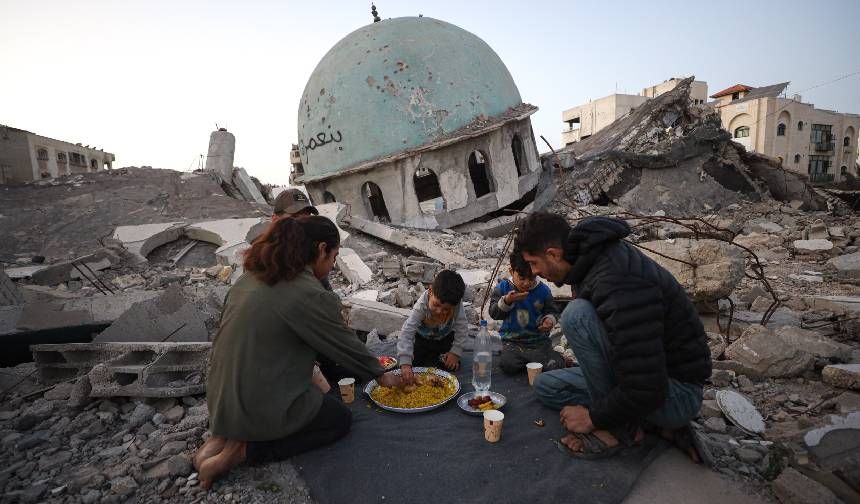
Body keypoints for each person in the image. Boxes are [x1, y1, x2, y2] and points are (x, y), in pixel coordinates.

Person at [196, 215, 402, 489]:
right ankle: (240, 452)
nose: (331, 267)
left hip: (221, 399)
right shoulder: (307, 292)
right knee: (337, 419)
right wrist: (382, 374)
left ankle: (219, 440)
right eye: (333, 257)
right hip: (256, 401)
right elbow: (343, 343)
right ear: (320, 250)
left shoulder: (250, 278)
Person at [514, 212, 712, 460]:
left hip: (674, 392)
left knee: (575, 316)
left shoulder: (617, 279)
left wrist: (593, 418)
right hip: (639, 378)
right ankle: (648, 424)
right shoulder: (586, 265)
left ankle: (616, 431)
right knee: (546, 386)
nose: (534, 273)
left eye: (534, 263)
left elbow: (647, 386)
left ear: (553, 254)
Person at [488, 252, 562, 375]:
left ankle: (547, 360)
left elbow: (553, 311)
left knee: (553, 365)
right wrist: (507, 301)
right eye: (522, 278)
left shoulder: (543, 291)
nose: (527, 283)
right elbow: (493, 313)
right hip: (512, 341)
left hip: (538, 341)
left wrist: (549, 320)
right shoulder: (503, 288)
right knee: (508, 365)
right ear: (511, 272)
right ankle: (532, 363)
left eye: (531, 278)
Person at [397, 270, 467, 384]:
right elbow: (407, 332)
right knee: (413, 364)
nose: (439, 311)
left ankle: (439, 357)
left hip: (444, 338)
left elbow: (462, 328)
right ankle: (431, 358)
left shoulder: (457, 305)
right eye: (436, 305)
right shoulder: (421, 306)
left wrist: (455, 353)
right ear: (430, 291)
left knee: (451, 365)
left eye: (446, 309)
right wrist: (405, 363)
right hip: (422, 339)